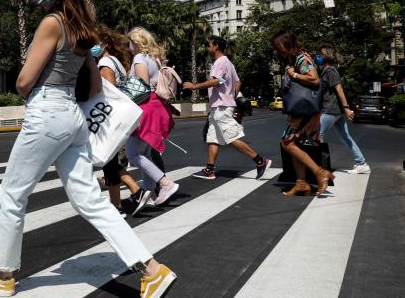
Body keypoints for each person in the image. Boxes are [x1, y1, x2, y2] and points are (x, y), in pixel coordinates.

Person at [0, 0, 176, 298]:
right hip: (74, 120)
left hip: (47, 111)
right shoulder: (82, 27)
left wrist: (30, 81)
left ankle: (5, 274)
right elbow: (95, 82)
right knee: (90, 200)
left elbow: (24, 80)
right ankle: (152, 268)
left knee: (13, 194)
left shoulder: (51, 23)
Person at [183, 36, 272, 181]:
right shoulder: (229, 63)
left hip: (222, 108)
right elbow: (237, 82)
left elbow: (216, 81)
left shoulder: (219, 62)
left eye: (209, 45)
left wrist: (194, 86)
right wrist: (231, 95)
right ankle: (209, 170)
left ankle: (261, 161)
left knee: (231, 138)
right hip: (219, 106)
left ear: (216, 46)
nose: (207, 48)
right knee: (212, 138)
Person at [92, 26, 153, 217]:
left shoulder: (105, 62)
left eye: (95, 43)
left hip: (110, 120)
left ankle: (136, 191)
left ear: (104, 45)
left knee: (110, 163)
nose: (92, 46)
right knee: (110, 164)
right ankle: (117, 206)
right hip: (117, 119)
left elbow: (108, 90)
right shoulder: (116, 61)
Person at [271, 31, 335, 196]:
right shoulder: (294, 59)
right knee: (295, 144)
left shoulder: (302, 58)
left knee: (287, 143)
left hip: (304, 111)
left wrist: (294, 74)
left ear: (289, 44)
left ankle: (319, 172)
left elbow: (314, 79)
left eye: (280, 46)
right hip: (301, 110)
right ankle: (301, 183)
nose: (279, 50)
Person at [124, 27, 180, 209]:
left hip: (145, 107)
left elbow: (142, 88)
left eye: (130, 43)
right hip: (156, 106)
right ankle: (151, 191)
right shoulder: (154, 58)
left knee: (133, 153)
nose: (128, 46)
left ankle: (165, 183)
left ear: (137, 43)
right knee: (146, 152)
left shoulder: (139, 58)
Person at [317, 45, 370, 174]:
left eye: (321, 55)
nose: (318, 57)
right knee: (345, 137)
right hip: (335, 111)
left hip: (330, 109)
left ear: (327, 57)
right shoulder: (326, 71)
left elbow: (339, 89)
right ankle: (361, 163)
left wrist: (346, 108)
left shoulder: (330, 71)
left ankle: (317, 167)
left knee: (316, 136)